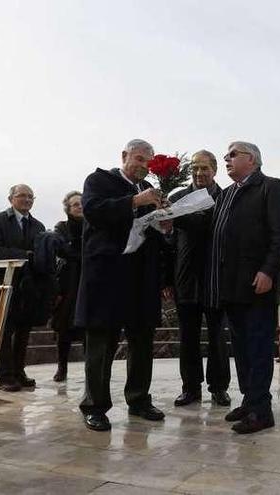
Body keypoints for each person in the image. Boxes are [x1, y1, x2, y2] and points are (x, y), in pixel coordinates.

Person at [75, 139, 170, 431]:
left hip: (141, 278)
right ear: (124, 156)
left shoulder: (149, 191)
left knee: (142, 341)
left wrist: (164, 223)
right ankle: (95, 405)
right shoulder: (99, 180)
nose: (142, 166)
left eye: (147, 162)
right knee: (102, 343)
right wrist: (134, 202)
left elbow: (153, 233)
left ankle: (139, 399)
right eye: (138, 159)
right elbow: (93, 211)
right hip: (107, 275)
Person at [208, 141, 280, 434]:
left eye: (233, 155)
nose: (227, 159)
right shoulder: (226, 194)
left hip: (257, 283)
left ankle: (261, 409)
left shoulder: (271, 187)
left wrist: (268, 271)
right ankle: (249, 399)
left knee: (258, 347)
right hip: (229, 286)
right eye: (226, 156)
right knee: (241, 348)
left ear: (252, 160)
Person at [168, 150, 231, 408]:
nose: (199, 173)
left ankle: (219, 388)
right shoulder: (177, 198)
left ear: (215, 169)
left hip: (216, 278)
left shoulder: (226, 198)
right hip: (185, 277)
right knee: (188, 337)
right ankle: (190, 389)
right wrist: (166, 280)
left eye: (204, 168)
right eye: (195, 168)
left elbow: (215, 230)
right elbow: (168, 244)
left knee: (217, 336)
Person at [0, 184, 46, 392]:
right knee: (2, 333)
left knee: (23, 332)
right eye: (22, 196)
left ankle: (19, 371)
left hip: (27, 289)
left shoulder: (38, 226)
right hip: (2, 287)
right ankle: (4, 375)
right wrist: (25, 255)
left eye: (30, 196)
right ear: (11, 199)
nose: (27, 200)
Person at [50, 191, 85, 382]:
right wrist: (84, 254)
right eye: (75, 204)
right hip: (68, 283)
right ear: (68, 209)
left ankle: (91, 369)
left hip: (89, 281)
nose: (79, 206)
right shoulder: (61, 227)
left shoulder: (93, 224)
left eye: (81, 203)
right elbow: (64, 250)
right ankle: (62, 368)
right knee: (64, 329)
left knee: (90, 328)